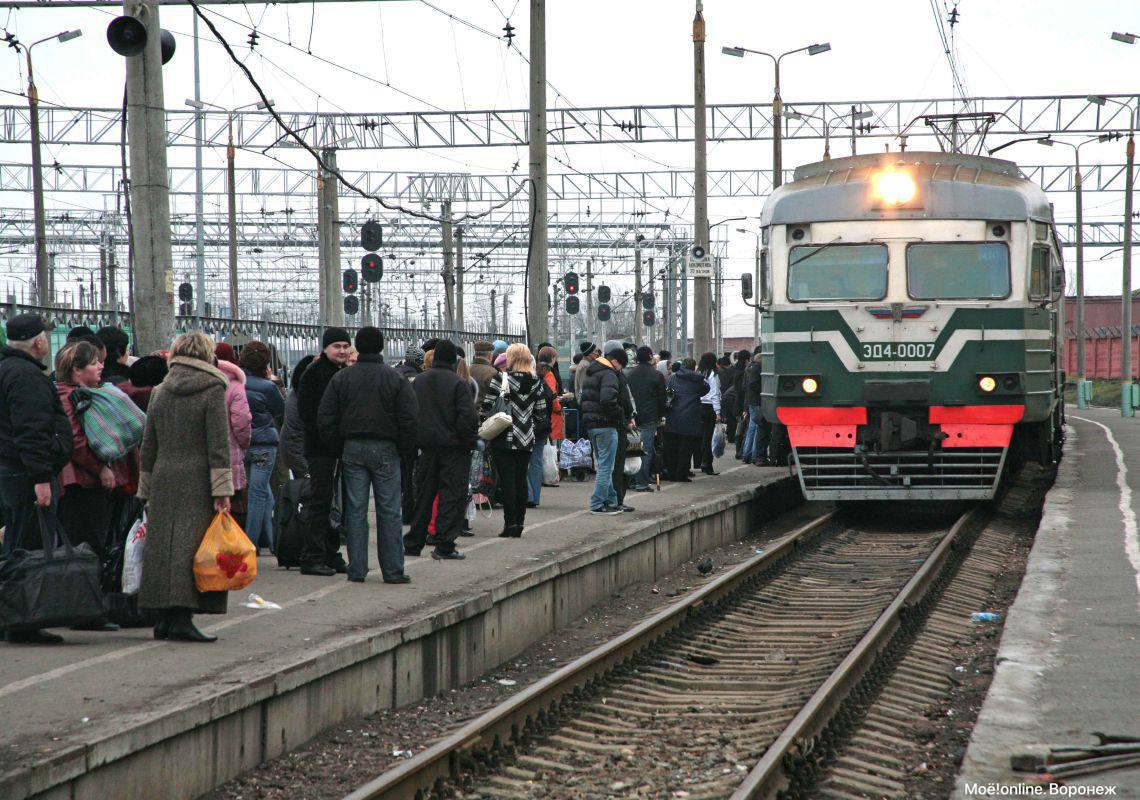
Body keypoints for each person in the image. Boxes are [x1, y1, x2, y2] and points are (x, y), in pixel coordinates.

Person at [137, 331, 235, 643]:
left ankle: (163, 618)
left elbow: (148, 442)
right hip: (198, 476)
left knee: (163, 545)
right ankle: (182, 617)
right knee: (191, 547)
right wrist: (222, 490)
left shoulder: (160, 390)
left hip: (164, 474)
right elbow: (219, 444)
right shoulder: (213, 389)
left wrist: (146, 485)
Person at [318, 327, 418, 583]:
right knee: (389, 511)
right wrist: (405, 452)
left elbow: (326, 417)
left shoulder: (342, 379)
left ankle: (357, 569)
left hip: (352, 448)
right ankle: (394, 571)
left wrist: (339, 446)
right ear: (382, 346)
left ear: (357, 348)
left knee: (355, 510)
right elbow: (409, 418)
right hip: (387, 449)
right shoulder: (395, 379)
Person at [54, 340, 139, 633]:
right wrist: (101, 467)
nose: (101, 366)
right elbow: (76, 441)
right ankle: (86, 612)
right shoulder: (67, 397)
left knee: (93, 542)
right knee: (87, 544)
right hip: (80, 482)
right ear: (77, 370)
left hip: (87, 480)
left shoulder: (87, 393)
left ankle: (89, 608)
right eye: (93, 363)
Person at [0, 314, 73, 644]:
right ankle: (22, 622)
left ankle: (15, 618)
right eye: (46, 335)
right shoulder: (26, 377)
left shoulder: (6, 369)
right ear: (39, 342)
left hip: (12, 472)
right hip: (26, 475)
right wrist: (42, 479)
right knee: (27, 547)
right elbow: (31, 432)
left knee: (16, 543)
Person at [405, 340, 478, 560]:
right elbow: (467, 418)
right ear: (454, 360)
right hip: (454, 449)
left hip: (426, 449)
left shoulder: (419, 381)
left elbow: (410, 413)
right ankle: (444, 545)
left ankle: (413, 542)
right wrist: (470, 441)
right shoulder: (458, 383)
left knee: (424, 496)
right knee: (451, 496)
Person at [297, 327, 352, 576]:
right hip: (320, 448)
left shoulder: (340, 372)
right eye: (336, 347)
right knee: (320, 502)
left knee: (332, 504)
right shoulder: (315, 373)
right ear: (326, 348)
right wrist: (331, 439)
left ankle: (330, 553)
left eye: (344, 346)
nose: (341, 351)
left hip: (334, 448)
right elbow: (309, 414)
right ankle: (312, 556)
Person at [481, 344, 548, 535]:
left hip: (503, 436)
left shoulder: (501, 378)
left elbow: (486, 406)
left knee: (507, 481)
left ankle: (509, 524)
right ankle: (519, 524)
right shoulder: (537, 381)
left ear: (511, 358)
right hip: (526, 437)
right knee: (520, 480)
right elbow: (542, 413)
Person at [240, 342, 285, 552]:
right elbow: (279, 409)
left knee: (264, 491)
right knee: (258, 493)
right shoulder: (268, 387)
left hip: (242, 444)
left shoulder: (233, 383)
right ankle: (251, 544)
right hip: (264, 445)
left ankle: (273, 539)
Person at [580, 340, 633, 515]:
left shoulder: (592, 371)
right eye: (621, 366)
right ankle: (596, 503)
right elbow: (608, 401)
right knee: (606, 467)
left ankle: (611, 501)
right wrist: (622, 416)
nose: (620, 370)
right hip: (606, 424)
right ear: (616, 361)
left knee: (603, 463)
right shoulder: (609, 374)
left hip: (591, 424)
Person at [626, 345, 666, 492]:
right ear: (650, 357)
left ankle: (630, 480)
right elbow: (662, 399)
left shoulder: (629, 374)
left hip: (633, 417)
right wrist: (661, 415)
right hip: (650, 417)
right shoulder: (657, 375)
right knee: (645, 450)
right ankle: (641, 482)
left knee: (632, 448)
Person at [663, 358, 709, 482]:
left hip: (673, 416)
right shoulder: (699, 380)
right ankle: (682, 474)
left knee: (673, 448)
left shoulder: (672, 378)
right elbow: (706, 389)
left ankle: (672, 473)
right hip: (691, 417)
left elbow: (666, 393)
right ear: (694, 367)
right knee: (686, 449)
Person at [215, 345, 252, 497]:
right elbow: (241, 421)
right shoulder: (235, 386)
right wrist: (244, 443)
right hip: (231, 454)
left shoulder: (203, 382)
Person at [281, 355, 314, 478]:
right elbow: (294, 436)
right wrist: (305, 469)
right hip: (302, 457)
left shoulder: (299, 395)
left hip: (300, 454)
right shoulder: (301, 398)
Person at [740, 351, 772, 465]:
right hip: (757, 402)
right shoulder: (758, 368)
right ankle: (754, 455)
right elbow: (754, 385)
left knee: (751, 428)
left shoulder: (748, 369)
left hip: (750, 401)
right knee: (759, 428)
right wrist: (763, 391)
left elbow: (745, 386)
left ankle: (747, 454)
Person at [695, 352, 721, 476]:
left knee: (701, 437)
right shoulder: (713, 375)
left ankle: (701, 462)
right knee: (708, 437)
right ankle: (707, 464)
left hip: (698, 406)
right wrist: (718, 411)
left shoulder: (698, 373)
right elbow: (715, 394)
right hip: (710, 407)